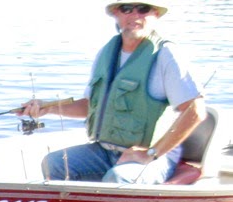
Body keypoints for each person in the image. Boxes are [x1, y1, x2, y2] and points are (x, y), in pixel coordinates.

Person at [18, 2, 206, 184]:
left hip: (155, 157)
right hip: (106, 151)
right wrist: (47, 108)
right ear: (116, 13)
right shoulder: (106, 53)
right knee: (54, 164)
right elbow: (90, 106)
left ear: (155, 14)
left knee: (118, 178)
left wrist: (151, 153)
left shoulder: (166, 55)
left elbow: (196, 111)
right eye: (126, 9)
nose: (135, 15)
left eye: (143, 9)